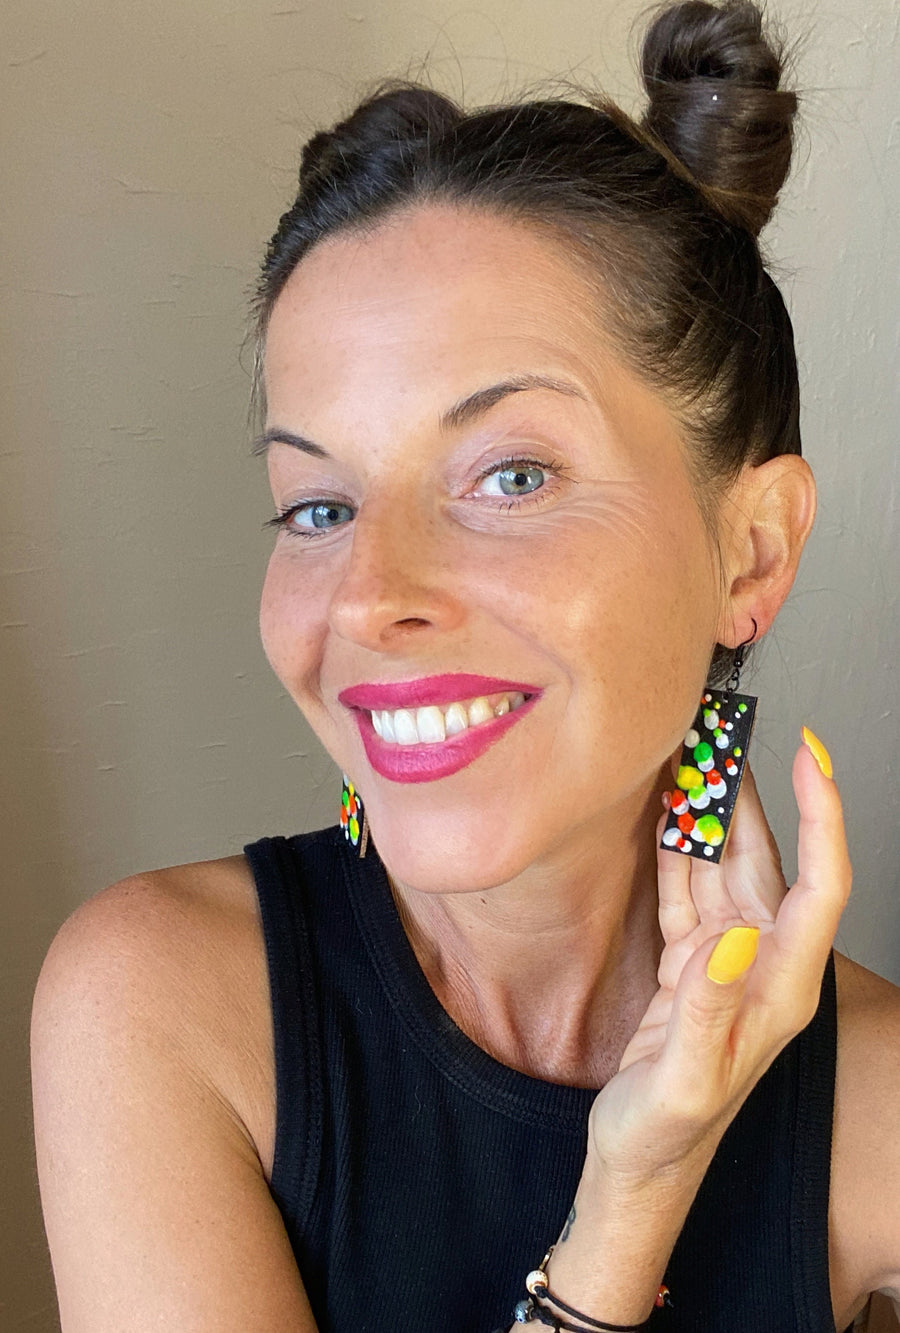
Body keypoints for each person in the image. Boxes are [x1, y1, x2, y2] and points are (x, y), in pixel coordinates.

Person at [30, 1, 900, 1329]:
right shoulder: (155, 1005)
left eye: (510, 474)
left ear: (751, 550)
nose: (373, 597)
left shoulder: (877, 1093)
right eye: (317, 505)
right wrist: (628, 1202)